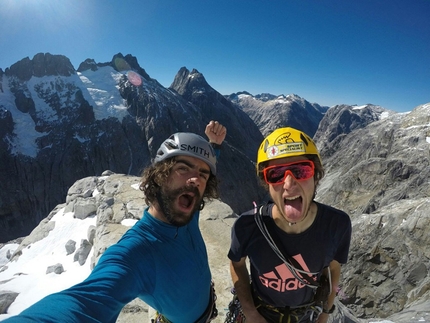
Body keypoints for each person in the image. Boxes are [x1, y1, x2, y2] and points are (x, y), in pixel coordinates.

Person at [3, 120, 227, 323]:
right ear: (160, 175)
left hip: (207, 304)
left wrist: (213, 145)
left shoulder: (187, 211)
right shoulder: (134, 253)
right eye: (182, 168)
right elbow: (85, 303)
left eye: (203, 174)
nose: (195, 179)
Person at [226, 127, 351, 323]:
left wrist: (324, 315)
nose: (289, 184)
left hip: (307, 316)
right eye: (275, 174)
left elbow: (333, 270)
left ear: (315, 175)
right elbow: (236, 264)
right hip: (262, 313)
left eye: (301, 170)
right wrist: (251, 314)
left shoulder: (337, 225)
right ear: (266, 183)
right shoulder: (247, 226)